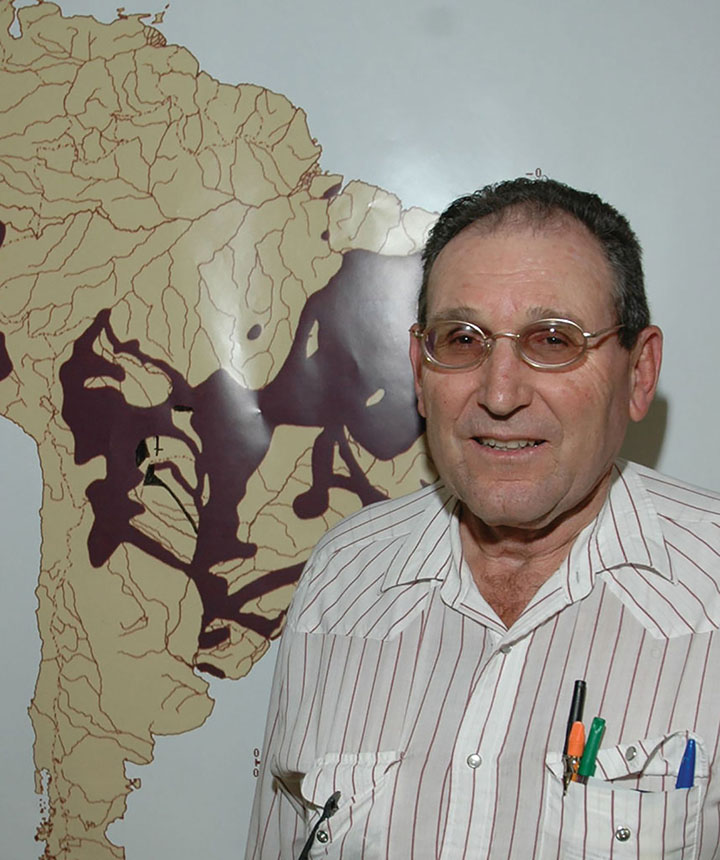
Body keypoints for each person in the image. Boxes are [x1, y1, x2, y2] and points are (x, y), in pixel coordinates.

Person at [245, 178, 720, 858]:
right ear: (419, 371)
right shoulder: (342, 579)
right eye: (463, 340)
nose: (499, 393)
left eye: (553, 340)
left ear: (639, 374)